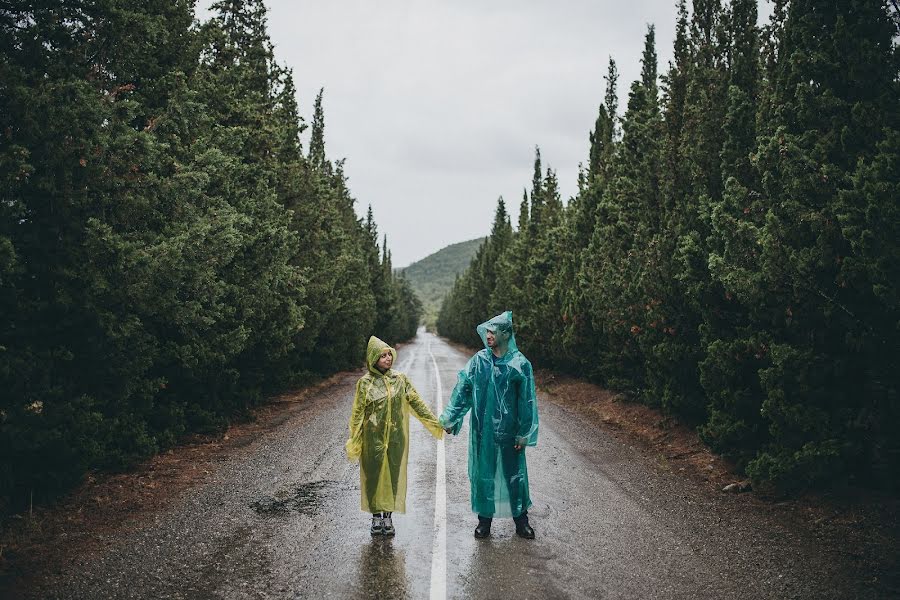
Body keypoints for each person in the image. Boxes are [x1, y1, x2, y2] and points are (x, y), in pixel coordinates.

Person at [439, 311, 538, 539]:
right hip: (484, 432)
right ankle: (484, 522)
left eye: (493, 331)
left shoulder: (520, 364)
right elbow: (463, 391)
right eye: (487, 331)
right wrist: (450, 418)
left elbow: (527, 402)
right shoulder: (479, 361)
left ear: (506, 334)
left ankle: (521, 522)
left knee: (515, 476)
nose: (488, 335)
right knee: (485, 475)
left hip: (510, 433)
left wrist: (524, 434)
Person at [346, 335, 444, 536]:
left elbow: (416, 403)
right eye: (382, 356)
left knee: (393, 475)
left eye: (389, 354)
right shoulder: (365, 384)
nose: (388, 358)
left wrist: (436, 423)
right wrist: (355, 438)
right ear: (373, 358)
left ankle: (388, 518)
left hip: (396, 439)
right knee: (373, 477)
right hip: (372, 439)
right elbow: (357, 413)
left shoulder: (400, 380)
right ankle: (375, 517)